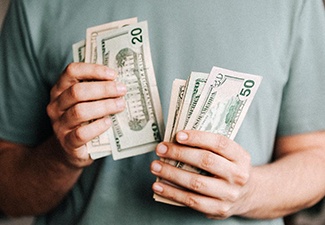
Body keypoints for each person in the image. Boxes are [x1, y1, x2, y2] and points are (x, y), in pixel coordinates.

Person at [1, 0, 325, 225]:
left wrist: (249, 192)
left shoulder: (292, 4)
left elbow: (315, 157)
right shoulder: (35, 5)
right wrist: (61, 156)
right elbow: (8, 192)